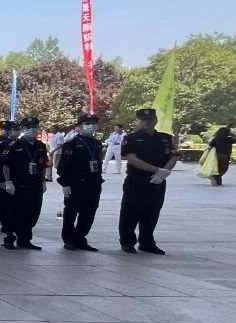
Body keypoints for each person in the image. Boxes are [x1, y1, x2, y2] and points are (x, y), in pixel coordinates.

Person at [118, 107, 176, 254]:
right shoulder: (131, 138)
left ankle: (147, 242)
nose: (147, 123)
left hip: (157, 182)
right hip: (137, 180)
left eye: (150, 119)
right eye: (143, 120)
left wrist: (163, 173)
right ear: (138, 121)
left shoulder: (166, 138)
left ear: (155, 120)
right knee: (130, 212)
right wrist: (156, 170)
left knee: (152, 212)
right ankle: (127, 242)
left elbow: (174, 156)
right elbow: (132, 159)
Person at [0, 116, 49, 250]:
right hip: (18, 185)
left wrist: (43, 181)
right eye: (28, 127)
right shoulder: (14, 145)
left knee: (32, 212)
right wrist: (8, 181)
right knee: (14, 212)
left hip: (35, 184)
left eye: (34, 127)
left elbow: (43, 165)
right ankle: (9, 238)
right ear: (22, 129)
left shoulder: (40, 146)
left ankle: (25, 239)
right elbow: (6, 165)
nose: (32, 130)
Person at [57, 112, 104, 251]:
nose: (91, 126)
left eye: (93, 124)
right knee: (71, 213)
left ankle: (80, 238)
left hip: (93, 184)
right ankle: (69, 239)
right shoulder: (71, 144)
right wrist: (65, 184)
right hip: (75, 184)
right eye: (87, 124)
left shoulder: (97, 143)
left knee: (89, 213)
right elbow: (62, 166)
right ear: (79, 127)